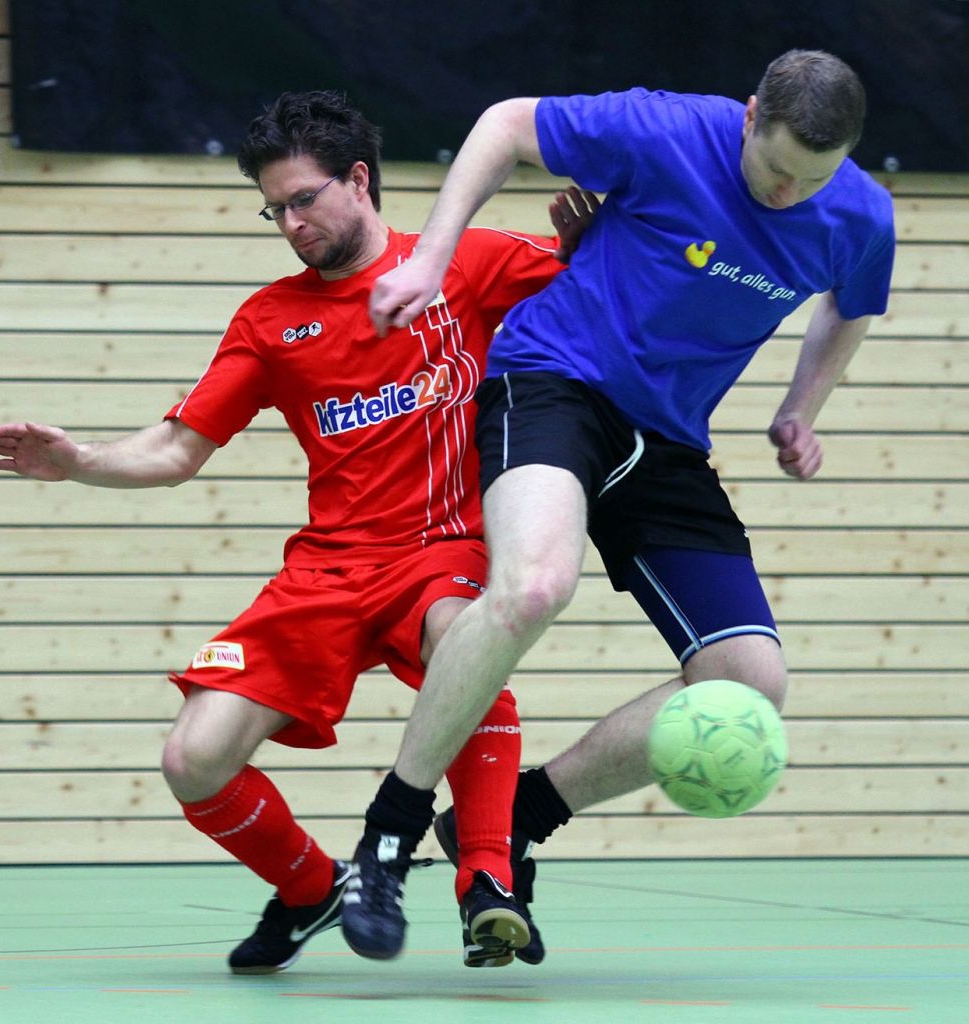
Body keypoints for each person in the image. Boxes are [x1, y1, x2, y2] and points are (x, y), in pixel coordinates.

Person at [0, 90, 596, 971]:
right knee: (194, 758)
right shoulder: (271, 321)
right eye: (275, 209)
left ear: (360, 180)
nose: (292, 224)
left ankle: (487, 877)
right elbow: (176, 447)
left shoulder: (471, 264)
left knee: (469, 636)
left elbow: (612, 309)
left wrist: (597, 257)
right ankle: (314, 889)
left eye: (305, 200)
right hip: (330, 569)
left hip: (445, 550)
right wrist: (78, 459)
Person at [340, 49, 896, 961]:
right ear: (750, 115)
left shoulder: (860, 213)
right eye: (775, 169)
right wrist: (433, 257)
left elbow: (853, 302)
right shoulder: (669, 128)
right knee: (533, 587)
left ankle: (519, 816)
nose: (790, 193)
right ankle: (387, 837)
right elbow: (507, 123)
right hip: (556, 382)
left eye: (813, 179)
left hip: (668, 439)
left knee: (752, 684)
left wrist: (803, 408)